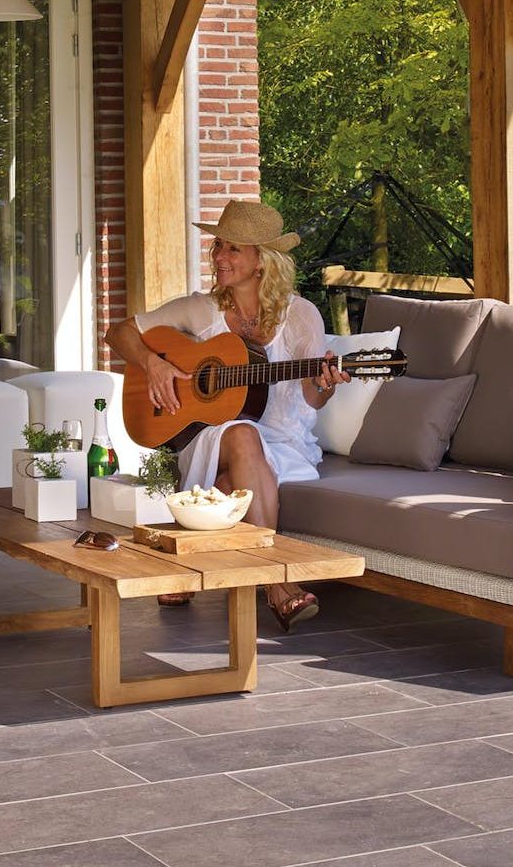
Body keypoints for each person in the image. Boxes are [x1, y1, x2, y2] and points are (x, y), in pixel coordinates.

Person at [105, 200, 349, 631]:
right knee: (239, 432)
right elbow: (118, 331)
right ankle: (276, 582)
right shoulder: (200, 309)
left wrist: (325, 383)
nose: (218, 256)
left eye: (233, 248)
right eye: (218, 245)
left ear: (262, 261)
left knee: (228, 481)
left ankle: (189, 561)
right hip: (210, 437)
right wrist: (153, 363)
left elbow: (312, 398)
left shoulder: (301, 316)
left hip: (284, 444)